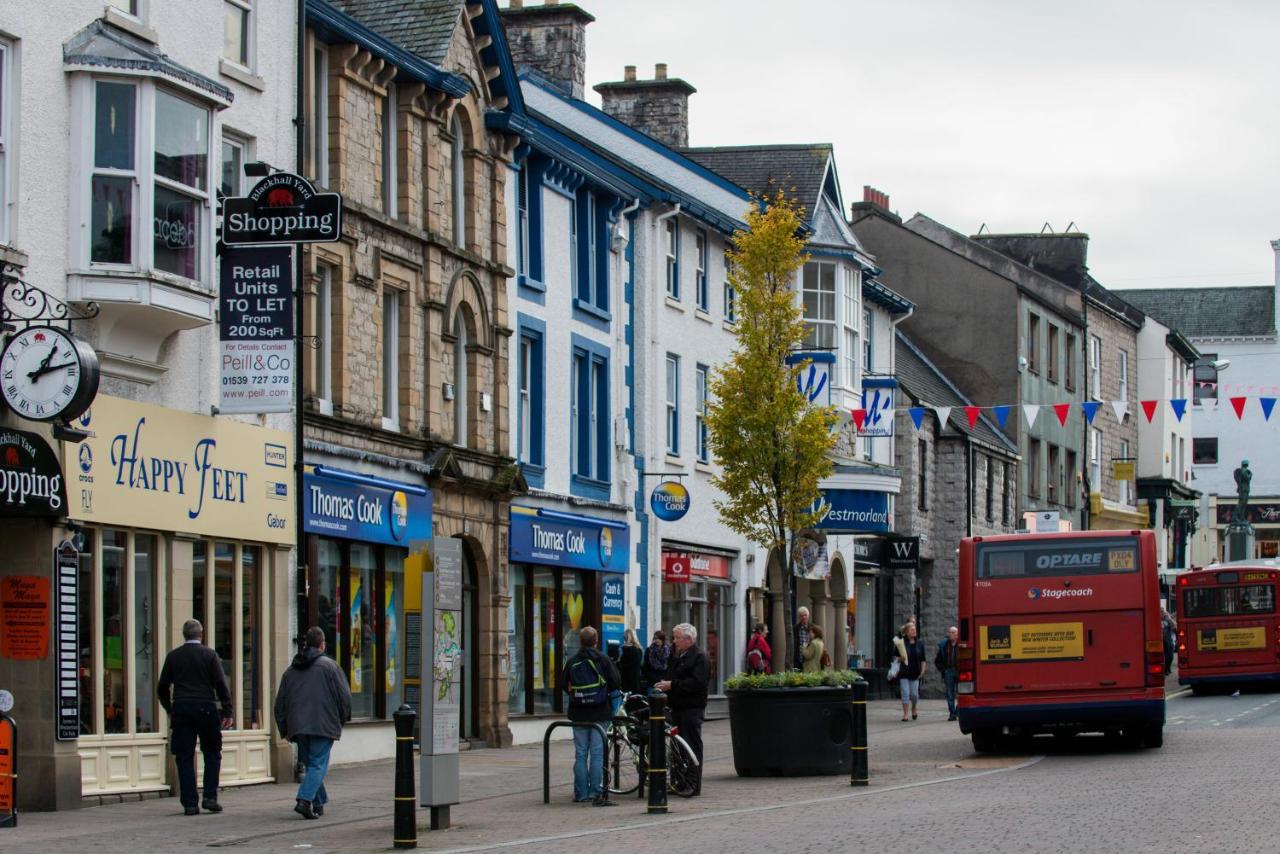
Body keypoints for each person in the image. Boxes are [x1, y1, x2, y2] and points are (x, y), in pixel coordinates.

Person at [274, 627, 352, 820]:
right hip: (323, 724)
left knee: (312, 765)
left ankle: (318, 802)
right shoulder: (331, 667)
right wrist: (342, 719)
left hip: (299, 726)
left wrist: (285, 727)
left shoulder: (291, 671)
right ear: (322, 644)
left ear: (306, 644)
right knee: (318, 765)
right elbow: (344, 697)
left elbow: (280, 703)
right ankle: (304, 800)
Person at [157, 619, 232, 816]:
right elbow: (220, 684)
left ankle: (190, 803)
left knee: (184, 756)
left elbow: (162, 686)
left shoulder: (173, 656)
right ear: (201, 634)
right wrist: (227, 710)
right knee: (212, 752)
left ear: (184, 635)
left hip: (181, 706)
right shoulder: (209, 655)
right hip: (206, 707)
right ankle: (209, 797)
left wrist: (169, 708)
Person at [563, 626, 621, 806]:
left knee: (580, 753)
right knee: (597, 753)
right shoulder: (603, 660)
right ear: (596, 641)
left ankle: (581, 794)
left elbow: (564, 684)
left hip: (578, 712)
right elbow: (616, 682)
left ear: (580, 641)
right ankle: (596, 792)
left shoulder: (572, 661)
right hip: (599, 712)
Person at [656, 623, 709, 796]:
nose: (674, 641)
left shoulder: (700, 657)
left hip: (691, 708)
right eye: (674, 637)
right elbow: (672, 674)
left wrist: (672, 685)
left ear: (688, 639)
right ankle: (678, 782)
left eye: (678, 638)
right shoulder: (678, 655)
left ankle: (693, 784)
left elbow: (697, 683)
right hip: (677, 707)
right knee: (677, 747)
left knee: (691, 745)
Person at [895, 621, 927, 721]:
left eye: (914, 629)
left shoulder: (920, 643)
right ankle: (905, 714)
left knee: (914, 695)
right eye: (912, 630)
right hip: (904, 672)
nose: (914, 631)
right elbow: (894, 658)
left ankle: (914, 708)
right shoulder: (901, 643)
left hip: (915, 673)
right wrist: (900, 659)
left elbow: (923, 659)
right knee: (905, 693)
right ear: (907, 632)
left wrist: (922, 671)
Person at [934, 626, 960, 721]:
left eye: (953, 632)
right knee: (950, 694)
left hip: (959, 671)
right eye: (949, 632)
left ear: (957, 634)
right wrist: (943, 670)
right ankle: (952, 713)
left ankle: (957, 711)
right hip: (948, 671)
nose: (951, 634)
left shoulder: (961, 644)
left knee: (961, 693)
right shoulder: (944, 645)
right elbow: (937, 661)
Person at [619, 629, 644, 694]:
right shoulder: (639, 649)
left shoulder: (627, 650)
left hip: (627, 683)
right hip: (636, 682)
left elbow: (622, 666)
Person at [1161, 607, 1178, 675]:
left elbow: (1174, 626)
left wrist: (1169, 618)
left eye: (1162, 611)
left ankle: (1167, 668)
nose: (1162, 613)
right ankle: (1165, 670)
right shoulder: (1155, 618)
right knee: (1163, 657)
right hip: (1160, 641)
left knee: (1170, 656)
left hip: (1168, 640)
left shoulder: (1167, 618)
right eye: (1160, 612)